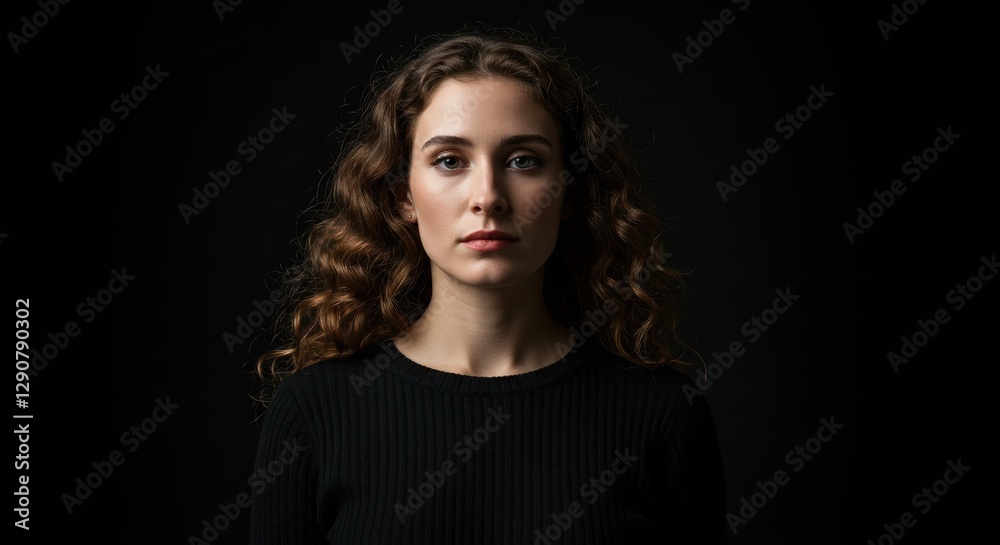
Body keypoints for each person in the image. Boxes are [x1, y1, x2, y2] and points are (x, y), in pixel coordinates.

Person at [249, 28, 727, 544]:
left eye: (523, 160)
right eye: (450, 161)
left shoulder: (660, 412)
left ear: (569, 193)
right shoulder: (317, 410)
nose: (488, 197)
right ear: (400, 196)